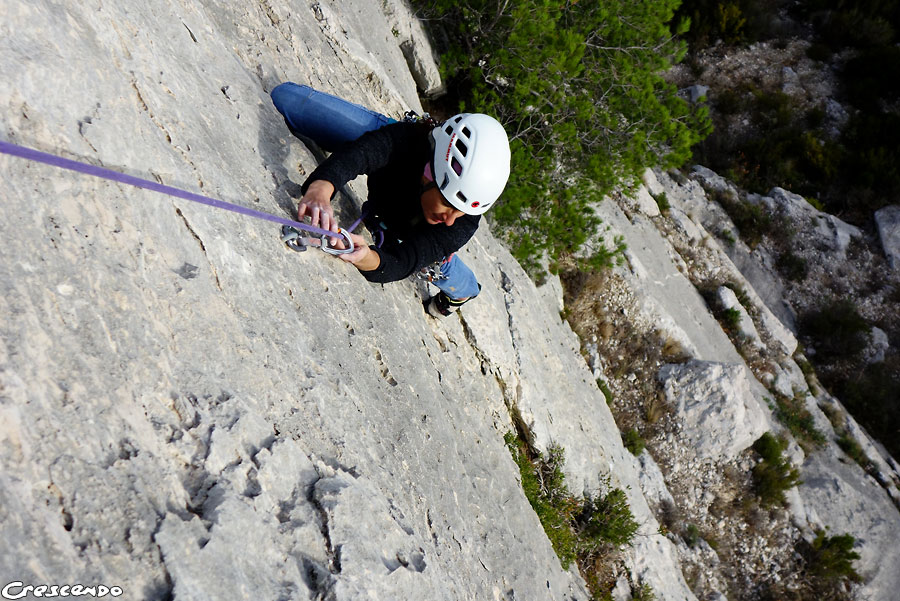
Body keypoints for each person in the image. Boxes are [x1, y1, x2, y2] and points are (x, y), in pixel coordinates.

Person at [271, 82, 511, 317]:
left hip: (409, 233)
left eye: (459, 212)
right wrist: (321, 188)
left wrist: (367, 258)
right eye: (449, 205)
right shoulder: (405, 142)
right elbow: (360, 155)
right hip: (397, 158)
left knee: (440, 263)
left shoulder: (460, 224)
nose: (450, 220)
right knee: (289, 100)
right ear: (430, 173)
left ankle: (465, 292)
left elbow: (403, 262)